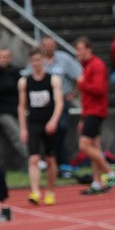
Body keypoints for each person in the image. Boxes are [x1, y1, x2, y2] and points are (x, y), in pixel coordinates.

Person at [18, 47, 64, 205]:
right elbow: (22, 106)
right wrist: (23, 128)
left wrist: (54, 120)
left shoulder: (53, 80)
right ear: (30, 63)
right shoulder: (24, 82)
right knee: (33, 158)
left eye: (38, 60)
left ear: (43, 60)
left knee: (50, 159)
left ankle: (50, 191)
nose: (35, 64)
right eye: (33, 61)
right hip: (34, 123)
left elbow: (59, 102)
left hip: (49, 122)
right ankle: (35, 191)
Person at [74, 36, 115, 195]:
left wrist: (82, 83)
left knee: (84, 145)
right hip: (90, 112)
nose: (77, 53)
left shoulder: (96, 65)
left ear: (88, 49)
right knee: (94, 148)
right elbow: (87, 97)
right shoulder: (87, 67)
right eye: (76, 50)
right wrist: (82, 118)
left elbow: (99, 89)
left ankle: (110, 173)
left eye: (80, 49)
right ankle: (97, 181)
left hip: (96, 111)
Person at [37, 35, 82, 170]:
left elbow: (80, 76)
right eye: (46, 45)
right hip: (43, 103)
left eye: (51, 45)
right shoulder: (37, 60)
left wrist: (73, 93)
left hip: (61, 101)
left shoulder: (64, 58)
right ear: (41, 47)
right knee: (45, 132)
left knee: (61, 128)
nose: (49, 48)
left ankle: (59, 160)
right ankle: (52, 161)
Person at [0, 47, 26, 168]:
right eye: (1, 57)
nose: (4, 60)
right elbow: (2, 88)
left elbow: (21, 90)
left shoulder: (15, 72)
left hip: (16, 110)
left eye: (6, 57)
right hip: (1, 112)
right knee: (17, 132)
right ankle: (31, 160)